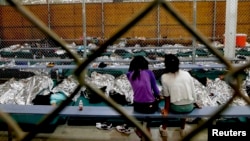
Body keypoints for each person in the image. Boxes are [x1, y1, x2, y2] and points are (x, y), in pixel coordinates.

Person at [116, 55, 161, 138]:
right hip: (150, 107)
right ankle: (148, 128)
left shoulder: (129, 75)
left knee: (138, 102)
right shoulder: (149, 73)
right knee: (153, 102)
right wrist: (159, 96)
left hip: (138, 105)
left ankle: (139, 128)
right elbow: (156, 91)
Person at [160, 54, 201, 137]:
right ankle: (182, 128)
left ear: (166, 65)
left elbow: (167, 97)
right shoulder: (186, 74)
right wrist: (195, 103)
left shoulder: (164, 77)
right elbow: (193, 91)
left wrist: (166, 110)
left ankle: (164, 129)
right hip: (189, 107)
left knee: (165, 110)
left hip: (176, 108)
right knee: (183, 99)